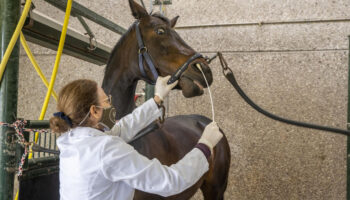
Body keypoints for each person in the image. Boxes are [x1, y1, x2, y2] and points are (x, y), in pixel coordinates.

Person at [50, 76, 223, 200]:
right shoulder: (104, 149)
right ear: (94, 111)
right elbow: (169, 182)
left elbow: (123, 128)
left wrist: (157, 99)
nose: (111, 105)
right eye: (107, 101)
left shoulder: (73, 139)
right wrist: (205, 145)